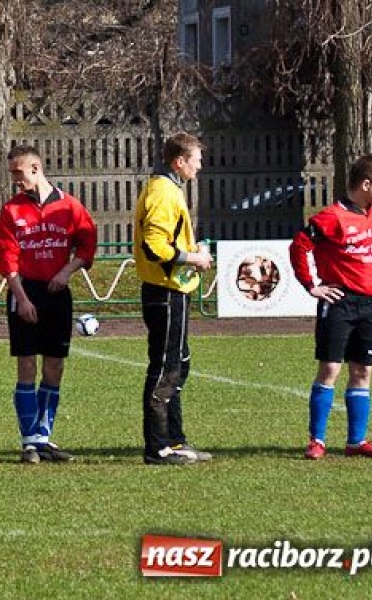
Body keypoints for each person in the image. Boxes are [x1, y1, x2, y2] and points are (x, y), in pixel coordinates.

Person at [0, 146, 97, 464]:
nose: (14, 179)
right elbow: (6, 258)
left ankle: (43, 437)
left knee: (55, 366)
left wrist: (66, 271)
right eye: (11, 173)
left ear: (36, 168)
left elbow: (87, 242)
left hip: (56, 293)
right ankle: (28, 442)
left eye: (17, 172)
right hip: (25, 291)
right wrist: (21, 298)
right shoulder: (11, 210)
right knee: (26, 365)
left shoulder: (69, 206)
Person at [290, 154, 372, 460]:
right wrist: (312, 286)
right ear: (366, 184)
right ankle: (317, 441)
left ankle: (356, 441)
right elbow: (299, 245)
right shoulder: (332, 217)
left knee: (363, 371)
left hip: (370, 305)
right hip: (339, 302)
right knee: (330, 368)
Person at [133, 133, 214, 466]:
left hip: (173, 290)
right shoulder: (163, 192)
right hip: (164, 291)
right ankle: (157, 447)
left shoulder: (168, 189)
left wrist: (193, 252)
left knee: (179, 363)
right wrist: (192, 258)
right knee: (166, 367)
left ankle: (175, 440)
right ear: (179, 161)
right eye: (196, 158)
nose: (200, 164)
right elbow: (155, 248)